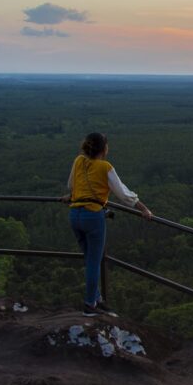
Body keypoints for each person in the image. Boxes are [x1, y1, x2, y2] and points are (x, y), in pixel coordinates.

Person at [64, 132, 152, 317]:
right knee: (94, 262)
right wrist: (143, 208)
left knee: (89, 259)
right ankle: (89, 305)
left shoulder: (79, 161)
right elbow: (123, 193)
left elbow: (71, 185)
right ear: (104, 149)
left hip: (75, 214)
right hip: (93, 216)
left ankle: (96, 298)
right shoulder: (105, 167)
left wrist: (71, 197)